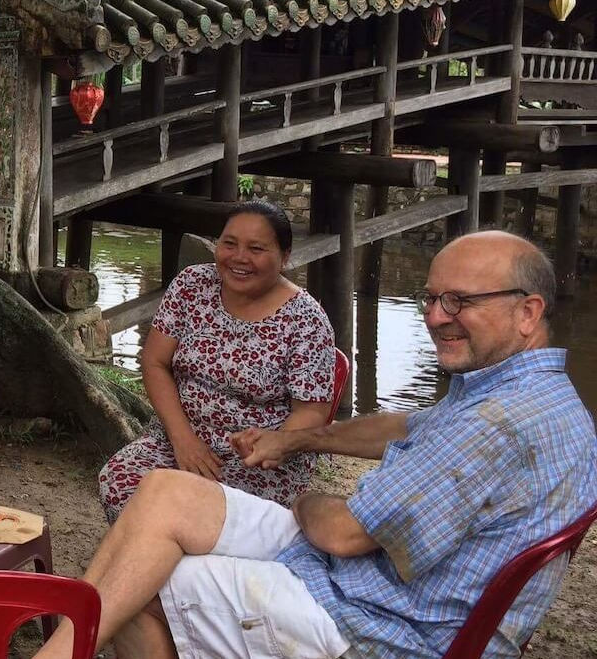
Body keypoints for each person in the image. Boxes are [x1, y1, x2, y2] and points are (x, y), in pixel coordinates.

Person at [33, 231, 597, 659]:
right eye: (430, 299)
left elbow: (341, 532)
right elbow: (405, 426)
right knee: (160, 492)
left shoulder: (494, 423)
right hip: (373, 582)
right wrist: (301, 440)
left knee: (144, 582)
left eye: (458, 302)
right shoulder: (529, 393)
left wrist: (301, 502)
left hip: (383, 624)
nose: (433, 317)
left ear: (528, 312)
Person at [97, 201, 335, 521]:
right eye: (229, 243)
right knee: (120, 485)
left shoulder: (306, 320)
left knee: (202, 515)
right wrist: (183, 440)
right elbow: (155, 362)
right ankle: (158, 565)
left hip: (258, 460)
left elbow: (312, 410)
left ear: (285, 256)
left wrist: (272, 445)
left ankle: (179, 567)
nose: (239, 257)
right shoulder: (192, 285)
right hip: (181, 436)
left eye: (256, 248)